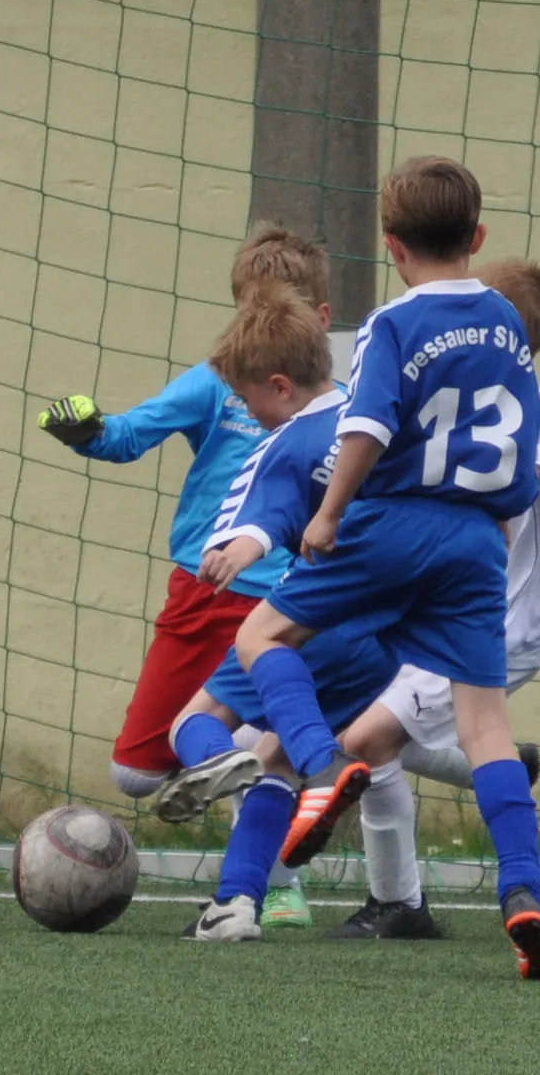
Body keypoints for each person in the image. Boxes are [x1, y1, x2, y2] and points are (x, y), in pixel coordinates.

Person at [230, 155, 540, 981]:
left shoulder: (391, 322)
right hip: (477, 542)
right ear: (477, 236)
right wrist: (492, 532)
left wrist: (328, 513)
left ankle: (321, 763)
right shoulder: (505, 324)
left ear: (391, 244)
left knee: (260, 637)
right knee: (486, 729)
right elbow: (522, 453)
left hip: (393, 524)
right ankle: (522, 896)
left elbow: (368, 429)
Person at [34, 225, 328, 928]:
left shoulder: (336, 402)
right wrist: (89, 431)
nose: (260, 327)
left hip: (285, 598)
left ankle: (277, 888)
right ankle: (241, 778)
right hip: (207, 591)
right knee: (141, 771)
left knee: (274, 750)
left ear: (314, 317)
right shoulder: (216, 383)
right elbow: (131, 434)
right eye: (250, 310)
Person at [151, 289, 401, 941]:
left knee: (194, 722)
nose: (249, 412)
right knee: (273, 759)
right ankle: (235, 907)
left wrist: (235, 551)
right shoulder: (374, 414)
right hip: (384, 637)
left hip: (310, 619)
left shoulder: (286, 442)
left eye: (247, 399)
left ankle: (222, 762)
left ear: (281, 387)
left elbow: (259, 519)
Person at [327, 258, 540, 941]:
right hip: (453, 609)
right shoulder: (476, 398)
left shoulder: (527, 401)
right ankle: (497, 772)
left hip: (495, 617)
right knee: (361, 727)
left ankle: (401, 902)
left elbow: (521, 479)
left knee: (366, 739)